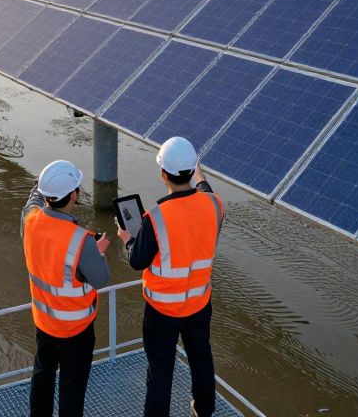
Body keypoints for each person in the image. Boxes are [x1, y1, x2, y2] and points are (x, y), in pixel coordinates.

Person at [118, 137, 224, 417]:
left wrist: (128, 239)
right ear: (192, 171)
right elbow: (204, 189)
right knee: (201, 360)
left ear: (162, 174)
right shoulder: (214, 206)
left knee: (160, 371)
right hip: (199, 306)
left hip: (162, 312)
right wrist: (196, 169)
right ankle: (203, 410)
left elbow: (137, 261)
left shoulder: (156, 218)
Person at [22, 160, 111, 417]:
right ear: (74, 195)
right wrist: (100, 252)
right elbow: (101, 279)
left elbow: (32, 200)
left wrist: (42, 186)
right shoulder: (82, 240)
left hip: (44, 321)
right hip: (76, 330)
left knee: (43, 375)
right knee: (71, 387)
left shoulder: (30, 220)